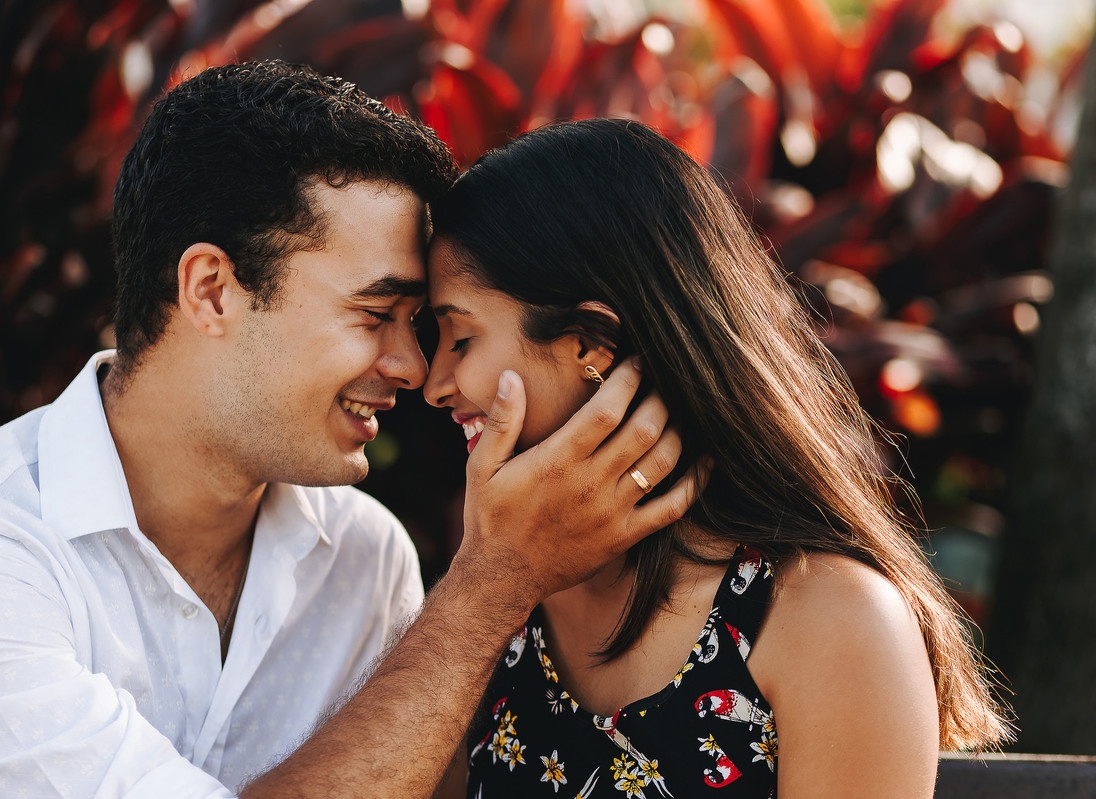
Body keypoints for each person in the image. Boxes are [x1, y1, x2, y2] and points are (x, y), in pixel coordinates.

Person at [0, 63, 699, 798]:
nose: (413, 369)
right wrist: (491, 590)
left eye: (419, 323)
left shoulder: (364, 559)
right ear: (211, 290)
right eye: (376, 314)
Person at [421, 118, 1012, 798]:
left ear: (592, 343)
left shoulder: (830, 621)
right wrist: (483, 588)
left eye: (460, 337)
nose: (434, 382)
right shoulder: (494, 596)